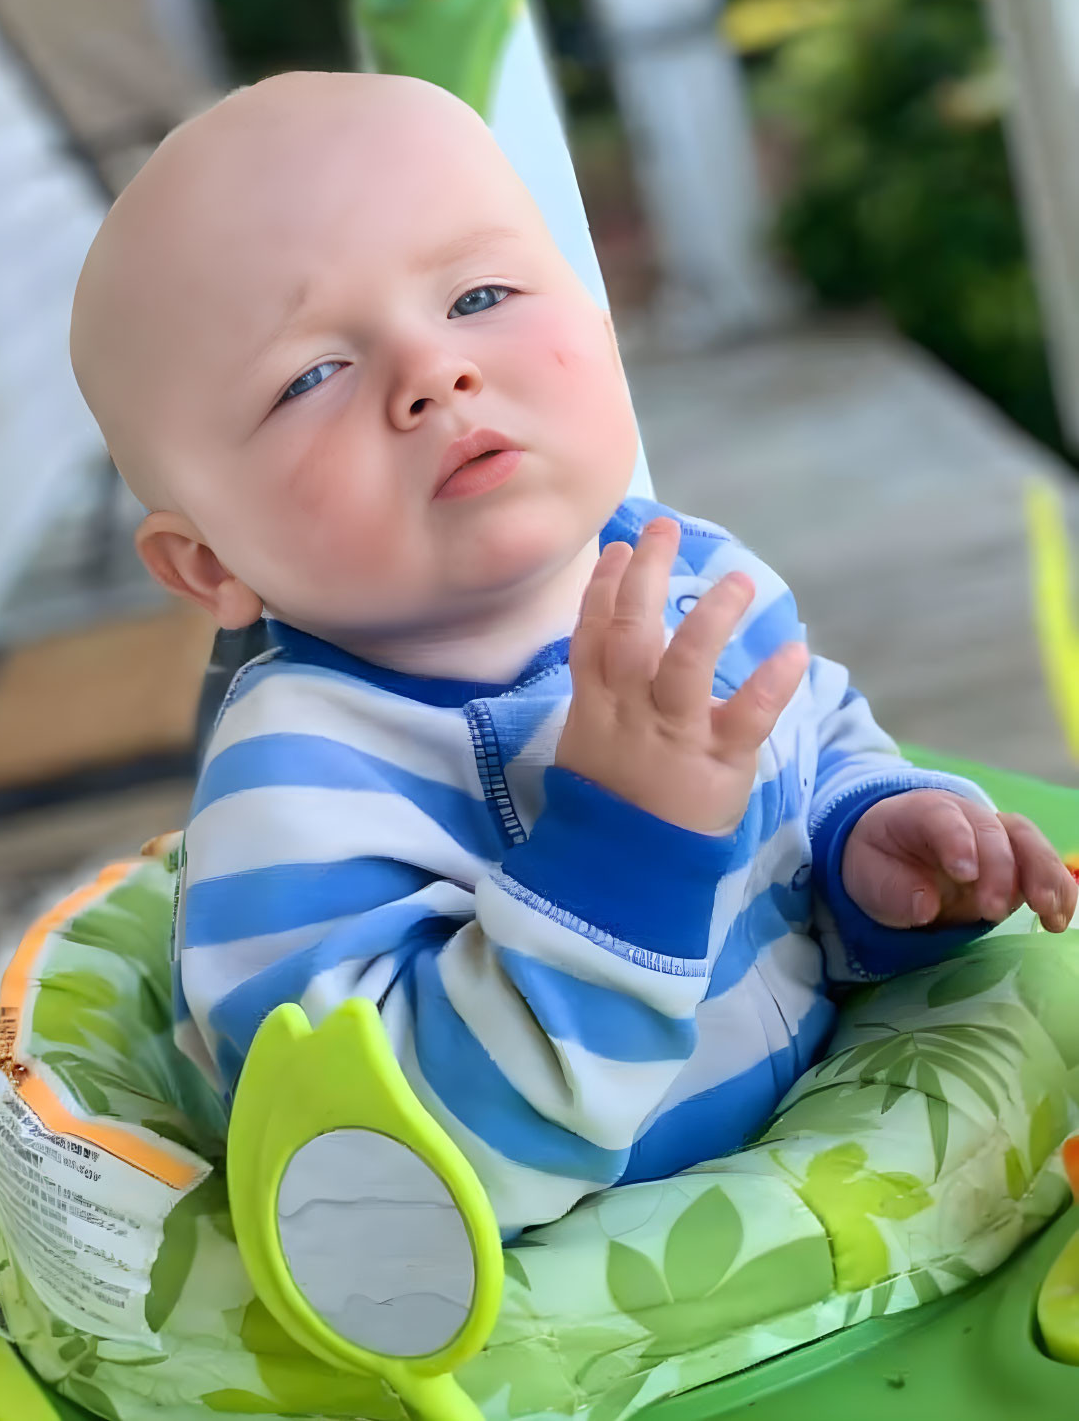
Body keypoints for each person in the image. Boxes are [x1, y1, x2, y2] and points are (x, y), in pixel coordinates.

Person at [69, 71, 1077, 1233]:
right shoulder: (296, 796)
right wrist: (628, 842)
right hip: (588, 1328)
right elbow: (397, 1179)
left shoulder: (690, 575)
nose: (432, 373)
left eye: (481, 292)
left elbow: (820, 747)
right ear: (208, 567)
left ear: (602, 333)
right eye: (310, 374)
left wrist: (870, 848)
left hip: (838, 1200)